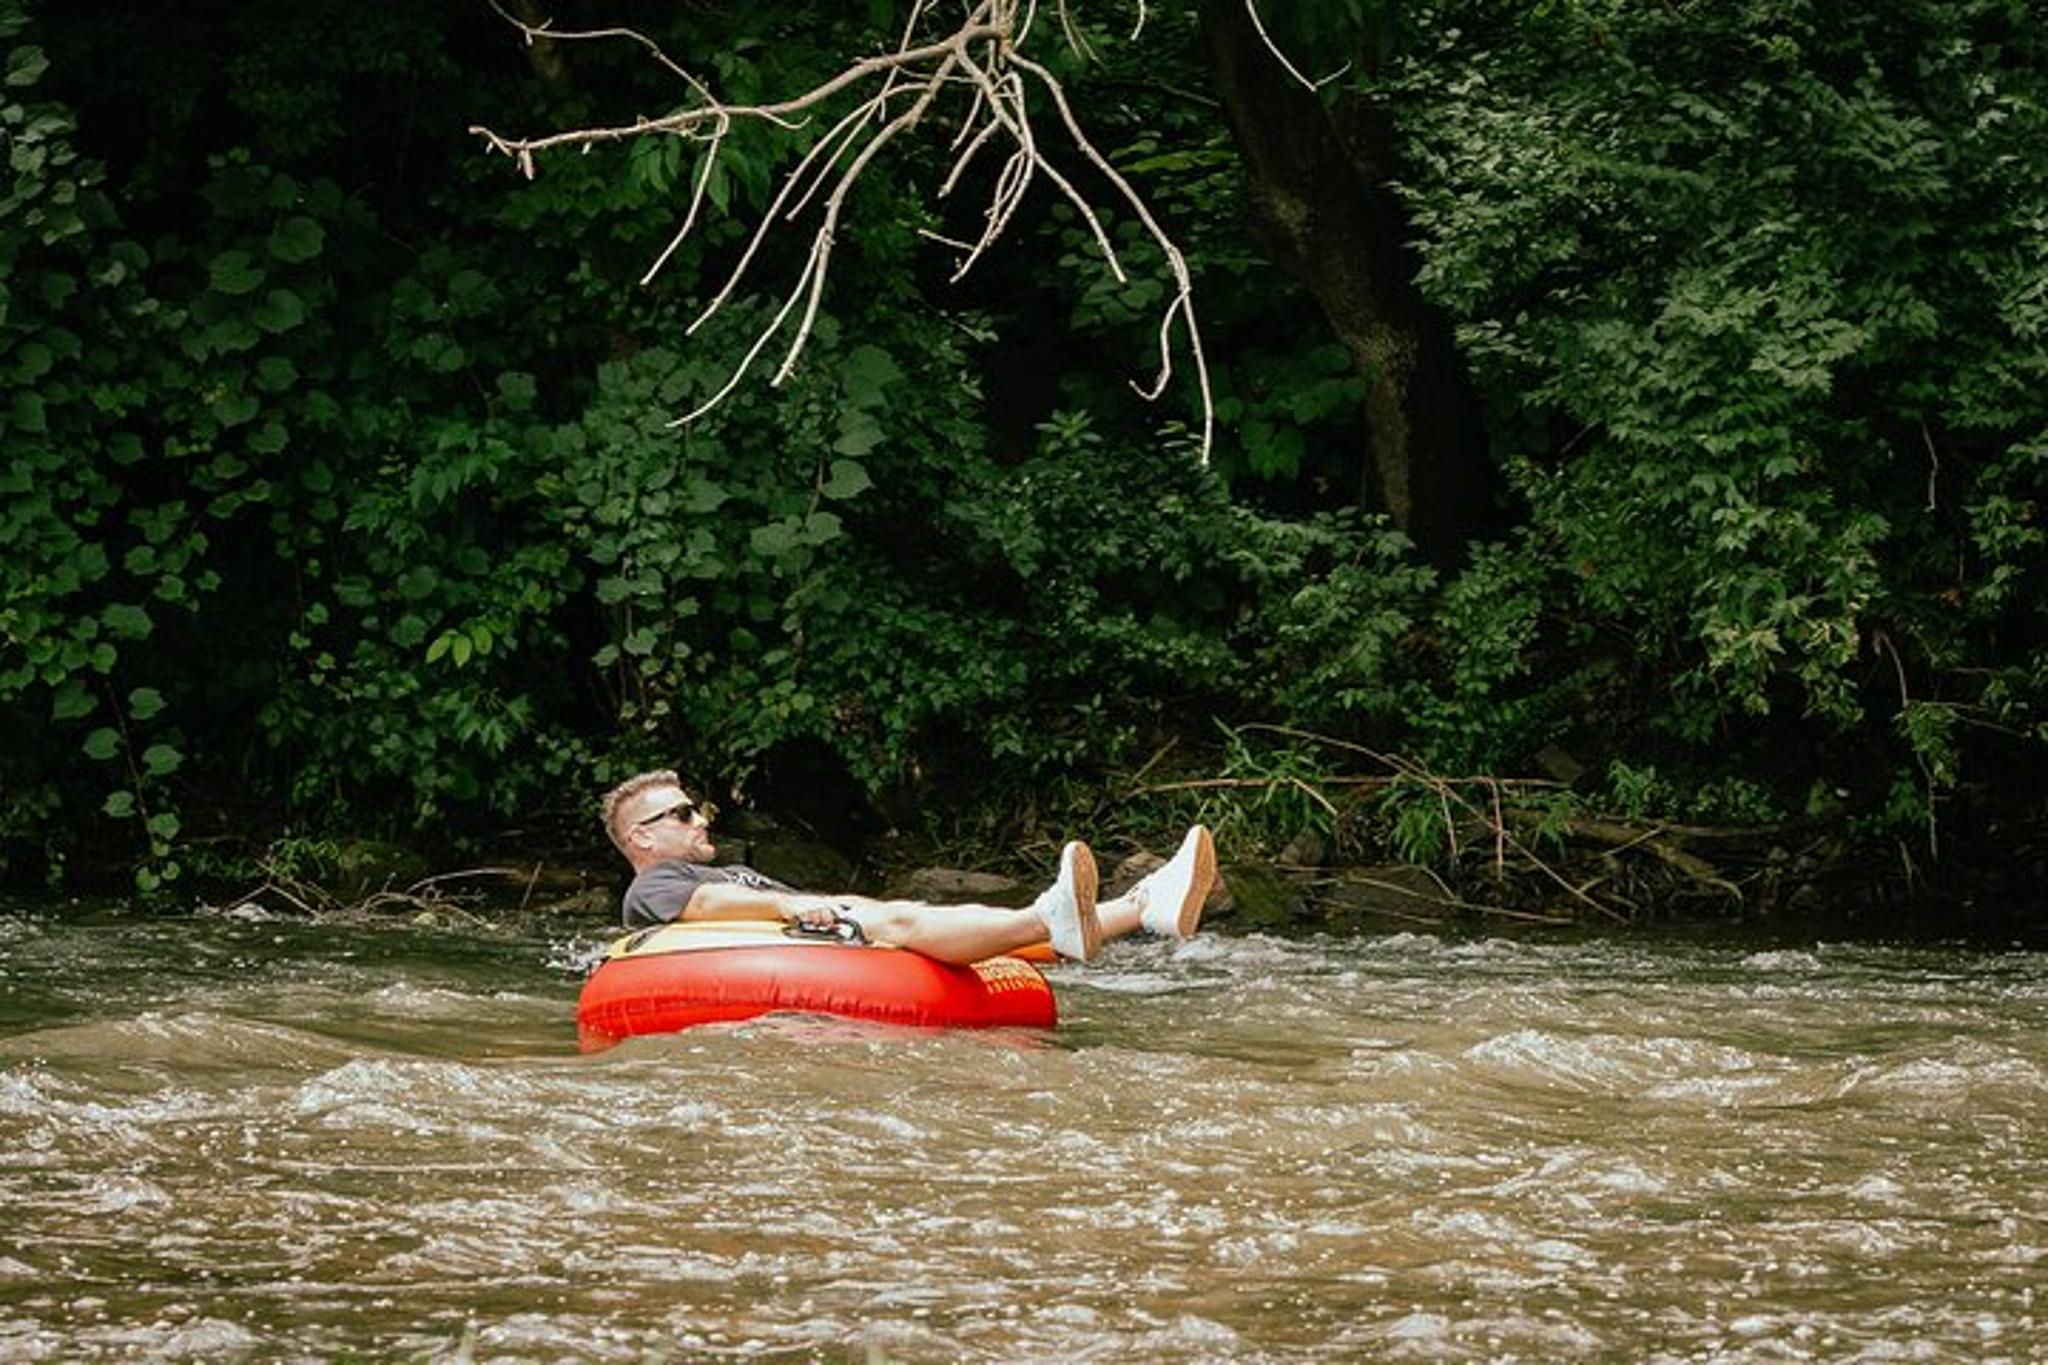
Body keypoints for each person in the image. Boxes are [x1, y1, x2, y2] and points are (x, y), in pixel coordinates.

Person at [600, 769, 1216, 964]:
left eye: (695, 809)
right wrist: (789, 904)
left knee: (960, 928)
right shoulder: (656, 884)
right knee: (898, 917)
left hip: (825, 936)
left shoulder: (714, 871)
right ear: (641, 838)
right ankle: (1072, 912)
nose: (701, 819)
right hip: (808, 939)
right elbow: (704, 909)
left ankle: (1144, 905)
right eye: (682, 815)